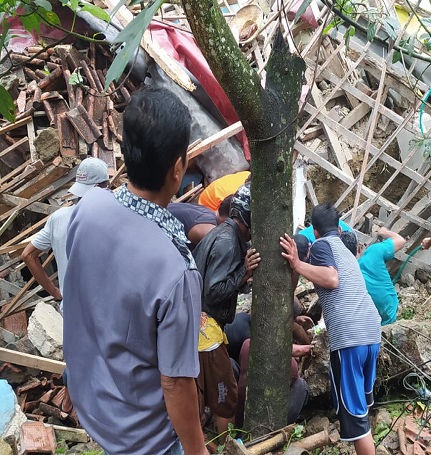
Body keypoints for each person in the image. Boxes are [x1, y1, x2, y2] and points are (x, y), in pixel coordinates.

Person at [61, 87, 208, 455]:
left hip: (92, 403)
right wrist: (197, 450)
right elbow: (175, 382)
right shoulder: (177, 270)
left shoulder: (88, 209)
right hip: (143, 438)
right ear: (178, 169)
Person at [280, 203, 382, 455]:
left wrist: (296, 264)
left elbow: (331, 278)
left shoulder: (322, 246)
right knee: (361, 409)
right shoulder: (347, 250)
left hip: (350, 338)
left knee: (356, 419)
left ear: (314, 231)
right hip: (371, 332)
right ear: (338, 227)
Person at [192, 182, 260, 434]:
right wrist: (243, 272)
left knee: (201, 395)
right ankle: (225, 445)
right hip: (205, 331)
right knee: (225, 397)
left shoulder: (220, 234)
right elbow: (214, 290)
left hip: (199, 326)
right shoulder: (227, 242)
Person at [21, 157, 109, 309]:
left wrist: (56, 292)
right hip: (103, 310)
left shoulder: (58, 218)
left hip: (71, 310)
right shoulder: (111, 218)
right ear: (103, 186)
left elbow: (28, 255)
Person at [358, 227, 407, 325]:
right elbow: (401, 241)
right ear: (359, 247)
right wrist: (384, 232)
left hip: (366, 324)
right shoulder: (373, 251)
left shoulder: (344, 272)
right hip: (390, 312)